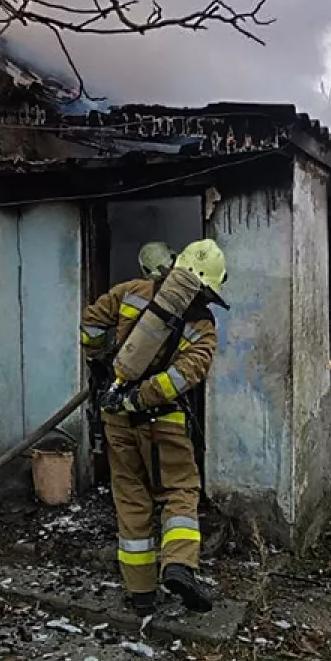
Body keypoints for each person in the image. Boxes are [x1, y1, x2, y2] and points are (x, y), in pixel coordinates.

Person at [79, 239, 227, 616]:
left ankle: (141, 594)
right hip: (163, 421)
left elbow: (91, 322)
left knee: (131, 498)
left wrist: (99, 361)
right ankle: (178, 564)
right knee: (179, 489)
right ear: (208, 289)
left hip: (116, 417)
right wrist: (143, 396)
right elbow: (184, 376)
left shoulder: (132, 291)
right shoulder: (203, 326)